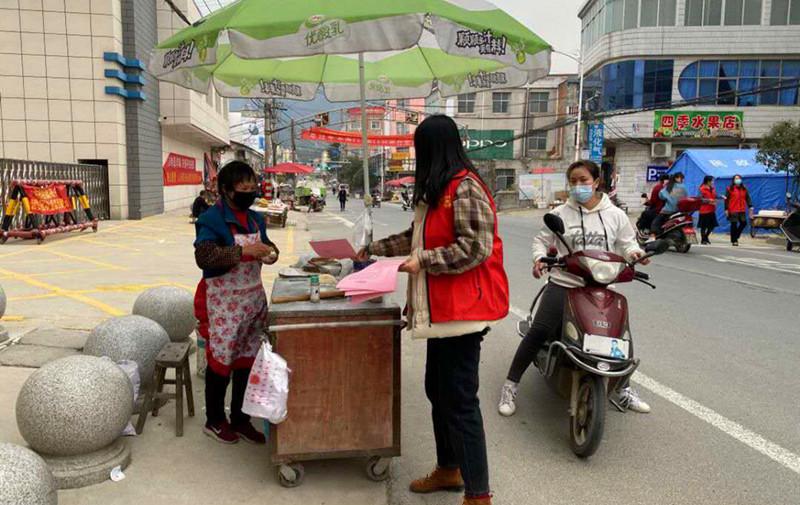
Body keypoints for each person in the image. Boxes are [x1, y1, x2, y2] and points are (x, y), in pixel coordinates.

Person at [358, 115, 508, 505]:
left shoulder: (466, 189)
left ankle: (479, 495)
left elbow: (474, 248)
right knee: (437, 391)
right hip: (440, 313)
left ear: (433, 148)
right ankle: (449, 469)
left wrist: (422, 261)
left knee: (459, 400)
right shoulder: (436, 190)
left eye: (419, 149)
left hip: (463, 313)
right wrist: (373, 249)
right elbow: (415, 237)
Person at [498, 160, 652, 418]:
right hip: (566, 283)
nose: (578, 186)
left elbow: (627, 244)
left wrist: (637, 253)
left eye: (583, 180)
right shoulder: (560, 214)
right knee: (539, 330)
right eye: (573, 182)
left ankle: (622, 388)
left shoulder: (615, 215)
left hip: (603, 284)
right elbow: (541, 240)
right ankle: (510, 385)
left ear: (597, 182)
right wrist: (539, 259)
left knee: (620, 336)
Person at [193, 161, 279, 444]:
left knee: (247, 362)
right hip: (223, 304)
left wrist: (270, 253)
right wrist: (243, 251)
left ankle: (241, 419)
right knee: (221, 362)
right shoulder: (211, 219)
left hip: (252, 301)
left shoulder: (256, 219)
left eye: (253, 188)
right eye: (244, 189)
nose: (250, 193)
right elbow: (204, 257)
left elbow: (266, 244)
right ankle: (215, 420)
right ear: (228, 190)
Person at [650, 172, 687, 236]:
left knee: (655, 223)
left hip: (668, 211)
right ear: (676, 178)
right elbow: (685, 197)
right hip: (679, 211)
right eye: (681, 178)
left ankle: (653, 235)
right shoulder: (683, 187)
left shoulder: (669, 186)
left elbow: (661, 196)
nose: (682, 180)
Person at [725, 174, 754, 246]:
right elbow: (726, 200)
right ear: (733, 180)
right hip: (733, 208)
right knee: (734, 224)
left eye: (739, 178)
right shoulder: (729, 189)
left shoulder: (744, 188)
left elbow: (747, 198)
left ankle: (736, 235)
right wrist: (726, 209)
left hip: (741, 209)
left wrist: (750, 205)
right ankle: (734, 240)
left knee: (743, 223)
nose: (737, 180)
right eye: (736, 178)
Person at [698, 176, 719, 245]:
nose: (713, 182)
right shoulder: (701, 189)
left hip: (712, 209)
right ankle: (703, 239)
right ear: (708, 181)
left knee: (712, 226)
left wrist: (720, 197)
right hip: (704, 210)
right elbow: (699, 199)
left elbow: (715, 196)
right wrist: (709, 200)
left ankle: (706, 237)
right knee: (704, 226)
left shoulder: (712, 189)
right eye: (712, 181)